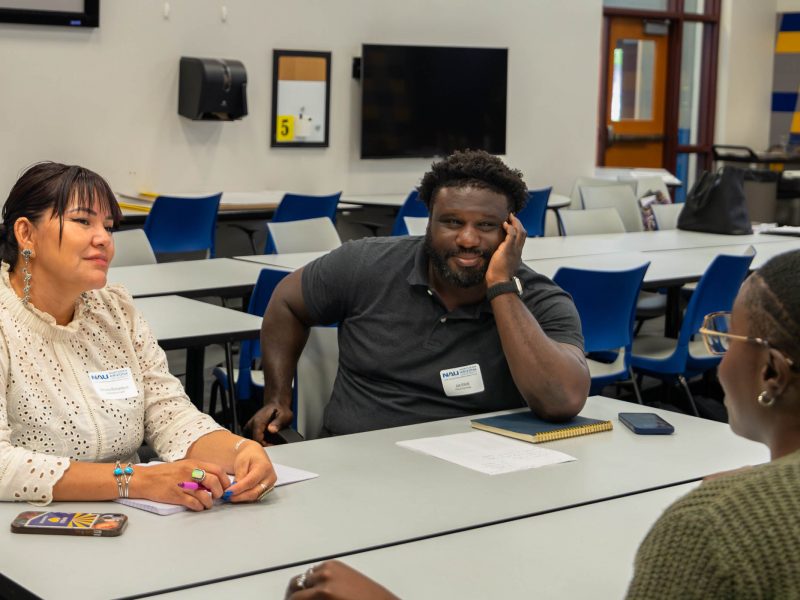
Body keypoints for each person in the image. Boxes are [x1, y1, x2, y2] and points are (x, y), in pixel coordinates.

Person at [282, 249, 800, 598]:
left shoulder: (714, 531)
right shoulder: (740, 514)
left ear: (771, 371)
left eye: (726, 337)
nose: (721, 357)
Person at [247, 150, 589, 440]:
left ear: (511, 231)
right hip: (357, 466)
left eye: (486, 225)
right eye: (452, 222)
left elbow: (562, 402)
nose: (468, 239)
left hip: (476, 473)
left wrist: (501, 288)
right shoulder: (365, 264)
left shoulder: (540, 299)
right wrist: (278, 396)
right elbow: (287, 302)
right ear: (429, 223)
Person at [0, 162, 276, 510]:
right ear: (26, 234)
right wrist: (134, 480)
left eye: (109, 227)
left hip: (127, 519)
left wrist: (238, 450)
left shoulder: (116, 311)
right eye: (83, 221)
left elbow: (168, 413)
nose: (103, 238)